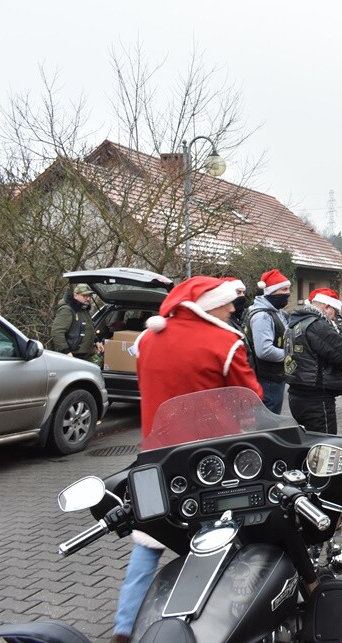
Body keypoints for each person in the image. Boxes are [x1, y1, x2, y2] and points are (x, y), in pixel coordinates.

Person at [109, 276, 262, 643]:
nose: (232, 310)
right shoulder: (225, 343)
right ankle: (213, 625)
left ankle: (125, 626)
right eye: (228, 304)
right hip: (212, 462)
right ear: (209, 304)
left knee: (149, 540)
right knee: (217, 540)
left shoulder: (148, 339)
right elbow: (251, 398)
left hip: (155, 459)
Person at [285, 288, 342, 434]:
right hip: (316, 398)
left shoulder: (295, 322)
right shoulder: (318, 325)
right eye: (334, 311)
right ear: (326, 307)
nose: (334, 317)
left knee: (307, 444)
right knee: (324, 446)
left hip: (296, 395)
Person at [244, 269, 292, 414]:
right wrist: (290, 356)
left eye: (288, 289)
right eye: (284, 289)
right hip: (268, 378)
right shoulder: (262, 316)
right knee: (269, 417)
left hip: (275, 376)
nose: (287, 293)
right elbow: (264, 351)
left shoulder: (276, 312)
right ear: (272, 292)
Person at [49, 283, 104, 362]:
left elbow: (88, 328)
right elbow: (57, 332)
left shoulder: (83, 309)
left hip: (85, 356)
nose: (88, 298)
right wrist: (66, 352)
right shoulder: (67, 309)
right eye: (84, 296)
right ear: (75, 295)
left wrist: (96, 341)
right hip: (73, 357)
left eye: (89, 296)